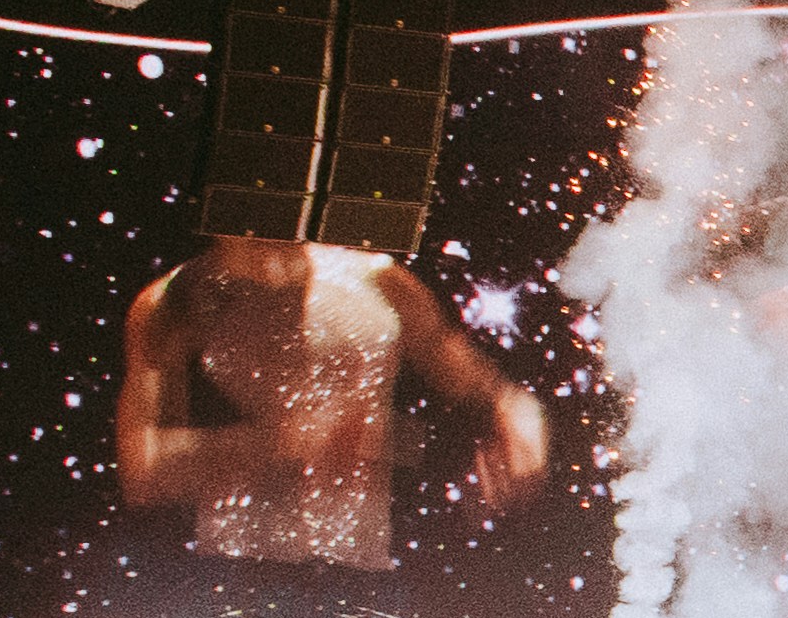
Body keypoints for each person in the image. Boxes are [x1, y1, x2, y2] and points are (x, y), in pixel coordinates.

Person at [115, 232, 548, 576]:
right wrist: (281, 442)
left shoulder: (376, 279)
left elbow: (480, 385)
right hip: (236, 571)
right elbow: (142, 470)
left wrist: (516, 410)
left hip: (362, 568)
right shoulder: (173, 302)